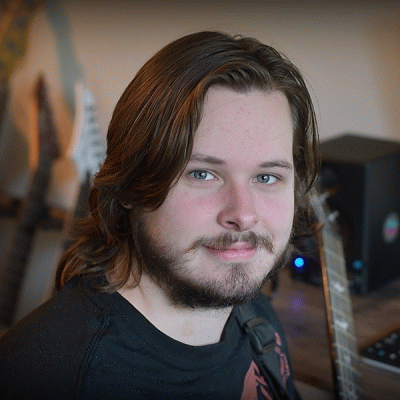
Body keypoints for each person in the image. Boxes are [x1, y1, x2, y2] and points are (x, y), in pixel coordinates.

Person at [0, 31, 319, 399]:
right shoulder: (49, 377)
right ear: (131, 183)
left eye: (267, 177)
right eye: (202, 174)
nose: (243, 215)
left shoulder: (249, 305)